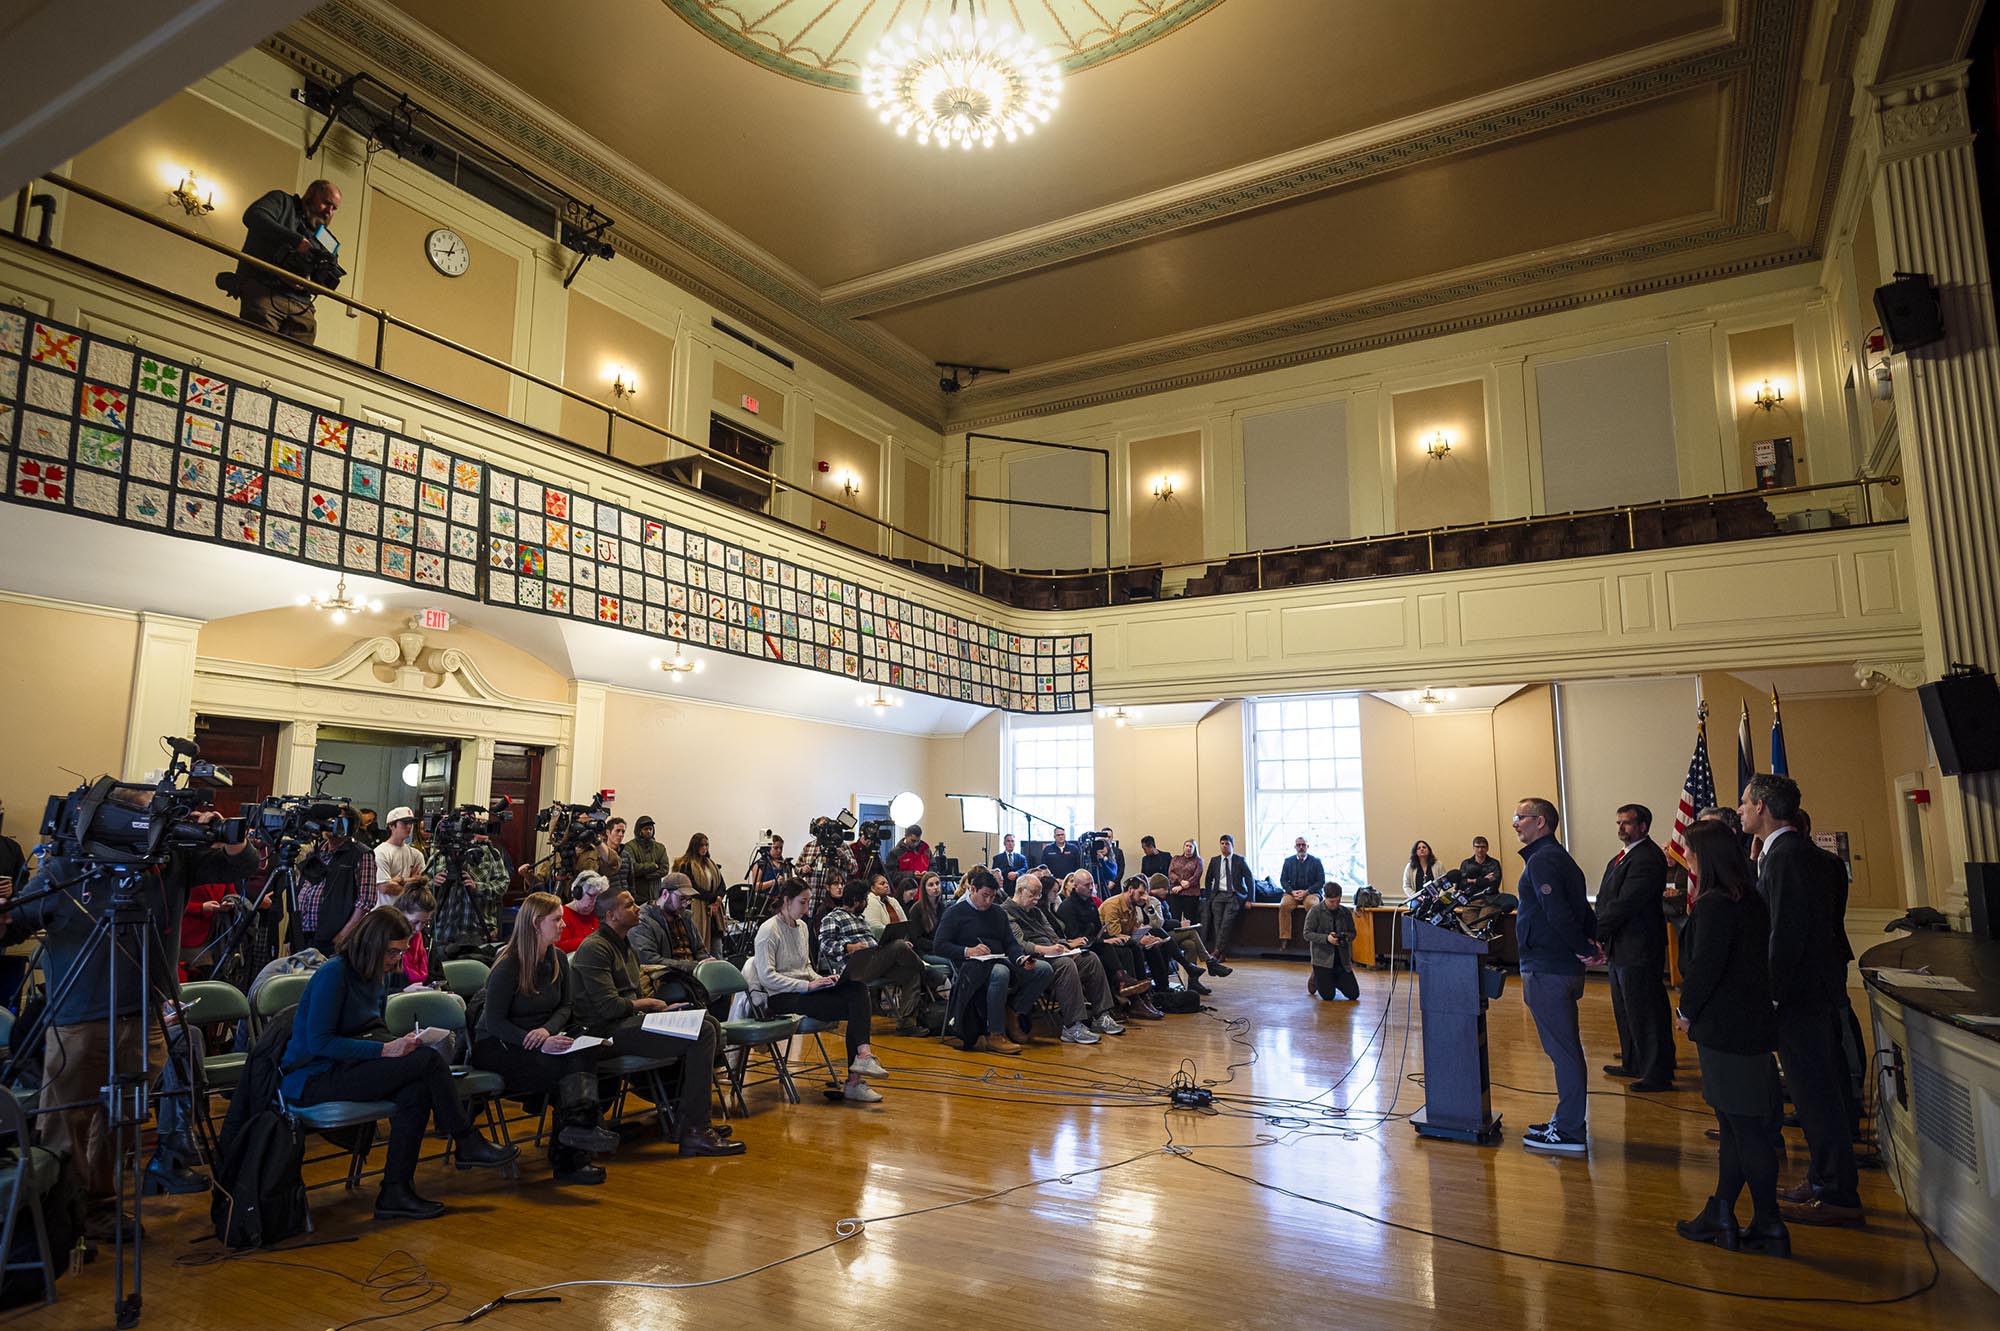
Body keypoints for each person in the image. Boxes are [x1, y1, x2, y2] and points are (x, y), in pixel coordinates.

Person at [2, 801, 255, 1233]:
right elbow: (14, 925)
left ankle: (102, 1207)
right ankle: (57, 1216)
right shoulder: (66, 869)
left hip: (147, 1015)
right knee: (67, 1121)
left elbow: (242, 864)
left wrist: (224, 833)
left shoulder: (170, 863)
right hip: (79, 1017)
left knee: (122, 1119)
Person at [282, 907, 517, 1219]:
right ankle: (465, 1139)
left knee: (417, 1091)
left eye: (402, 951)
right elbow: (320, 1043)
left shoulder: (373, 974)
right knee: (428, 1062)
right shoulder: (334, 974)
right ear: (372, 945)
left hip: (347, 1066)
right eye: (393, 951)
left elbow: (371, 1028)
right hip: (313, 1076)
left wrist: (398, 1041)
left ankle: (396, 1190)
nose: (397, 959)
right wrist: (384, 1051)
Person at [1740, 774, 1862, 1227]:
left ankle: (1836, 1195)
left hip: (1799, 998)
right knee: (1816, 1095)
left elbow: (1784, 935)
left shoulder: (1787, 857)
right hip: (1812, 992)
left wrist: (1769, 995)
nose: (1740, 811)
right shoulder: (1794, 855)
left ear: (1764, 809)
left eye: (1745, 803)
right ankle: (1823, 1179)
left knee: (1816, 1096)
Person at [1673, 820, 1790, 1257]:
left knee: (1747, 1130)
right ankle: (1721, 1210)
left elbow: (1705, 970)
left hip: (1726, 1029)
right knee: (1738, 1126)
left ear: (1706, 858)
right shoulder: (1748, 899)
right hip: (1749, 1026)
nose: (1685, 857)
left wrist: (1686, 1013)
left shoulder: (1716, 905)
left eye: (1689, 852)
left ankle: (1768, 1223)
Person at [571, 888, 744, 1153]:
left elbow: (631, 999)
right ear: (611, 915)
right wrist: (650, 1005)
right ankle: (696, 1129)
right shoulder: (595, 948)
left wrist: (661, 1012)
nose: (637, 908)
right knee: (702, 1032)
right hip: (603, 1033)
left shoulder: (624, 944)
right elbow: (607, 1008)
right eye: (629, 905)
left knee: (706, 1021)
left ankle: (686, 1120)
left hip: (627, 1022)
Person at [473, 893, 621, 1184]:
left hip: (538, 1036)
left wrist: (547, 1032)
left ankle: (578, 1135)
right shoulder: (508, 965)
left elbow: (565, 1007)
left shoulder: (556, 960)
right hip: (499, 1044)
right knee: (568, 1066)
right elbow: (494, 1022)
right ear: (536, 923)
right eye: (556, 919)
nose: (563, 924)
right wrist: (538, 1039)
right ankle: (575, 1148)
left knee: (587, 1049)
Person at [748, 880, 890, 1100]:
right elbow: (767, 977)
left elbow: (805, 967)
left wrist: (824, 979)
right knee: (856, 1005)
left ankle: (863, 1055)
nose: (806, 909)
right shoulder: (768, 930)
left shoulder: (802, 927)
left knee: (857, 988)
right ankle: (854, 1079)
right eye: (802, 903)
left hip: (805, 990)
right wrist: (807, 985)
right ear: (786, 901)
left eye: (808, 902)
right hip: (782, 997)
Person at [1512, 796, 1596, 1155]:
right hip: (1556, 965)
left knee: (1563, 1052)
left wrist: (1584, 947)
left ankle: (1570, 1130)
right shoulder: (1558, 858)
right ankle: (1567, 1119)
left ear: (1541, 823)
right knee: (1565, 1049)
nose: (1515, 823)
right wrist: (1591, 942)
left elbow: (1560, 913)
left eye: (1521, 817)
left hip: (1549, 968)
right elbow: (1582, 908)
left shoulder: (1544, 860)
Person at [1595, 803, 1675, 1091]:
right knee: (1626, 1009)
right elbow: (1607, 898)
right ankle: (1633, 1061)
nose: (1620, 828)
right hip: (1621, 946)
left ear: (1643, 826)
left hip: (1638, 946)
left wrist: (1594, 932)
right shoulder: (1623, 856)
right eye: (1618, 822)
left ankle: (1656, 1073)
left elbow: (1626, 904)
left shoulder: (1647, 858)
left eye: (1627, 823)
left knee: (1646, 1011)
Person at [934, 867, 1055, 1053]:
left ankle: (1014, 1011)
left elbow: (1010, 943)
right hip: (971, 966)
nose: (989, 901)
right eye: (985, 895)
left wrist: (1021, 958)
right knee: (1001, 972)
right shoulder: (955, 912)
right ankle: (995, 1034)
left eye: (992, 896)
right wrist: (968, 951)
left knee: (1043, 969)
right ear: (973, 889)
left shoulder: (997, 912)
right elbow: (940, 945)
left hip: (1000, 959)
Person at [1004, 873, 1121, 1042]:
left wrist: (1067, 946)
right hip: (1031, 958)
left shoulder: (1035, 911)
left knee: (1090, 958)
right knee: (1065, 965)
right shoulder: (1006, 911)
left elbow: (1052, 935)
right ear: (1020, 891)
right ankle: (1072, 1025)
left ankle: (1101, 1015)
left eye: (1039, 895)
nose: (1037, 899)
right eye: (1033, 895)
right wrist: (1048, 949)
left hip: (1052, 952)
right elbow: (1019, 943)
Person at [235, 178, 341, 344]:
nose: (329, 211)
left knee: (296, 362)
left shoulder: (326, 237)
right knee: (258, 351)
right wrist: (296, 241)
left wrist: (309, 282)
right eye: (326, 203)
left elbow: (331, 269)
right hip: (265, 291)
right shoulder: (282, 201)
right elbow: (253, 216)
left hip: (302, 307)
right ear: (311, 194)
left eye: (334, 208)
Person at [815, 884, 928, 1034]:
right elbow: (825, 945)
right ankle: (929, 973)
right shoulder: (832, 918)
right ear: (856, 901)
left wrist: (887, 945)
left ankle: (906, 1024)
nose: (867, 904)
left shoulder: (861, 918)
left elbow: (873, 942)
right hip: (857, 967)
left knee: (911, 974)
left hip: (875, 961)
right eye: (865, 900)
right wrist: (849, 947)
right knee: (900, 946)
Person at [296, 807, 377, 955]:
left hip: (332, 939)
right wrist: (291, 935)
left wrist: (344, 935)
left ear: (350, 825)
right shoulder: (315, 851)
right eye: (328, 819)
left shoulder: (361, 854)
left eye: (335, 820)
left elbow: (366, 900)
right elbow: (301, 891)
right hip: (302, 936)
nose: (329, 823)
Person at [426, 825, 507, 958]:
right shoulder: (440, 854)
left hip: (477, 930)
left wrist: (478, 887)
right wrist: (432, 883)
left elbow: (503, 884)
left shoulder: (489, 854)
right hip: (442, 930)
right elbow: (421, 886)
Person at [1101, 876, 1180, 1005]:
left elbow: (1134, 929)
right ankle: (1139, 994)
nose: (1144, 897)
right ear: (1131, 889)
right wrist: (1138, 939)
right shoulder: (1113, 905)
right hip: (1109, 944)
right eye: (1141, 893)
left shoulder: (1132, 905)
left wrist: (1145, 937)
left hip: (1125, 941)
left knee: (1153, 946)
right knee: (1135, 947)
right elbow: (1114, 934)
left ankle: (1160, 989)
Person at [1143, 873, 1228, 986]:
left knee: (1190, 944)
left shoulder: (1161, 900)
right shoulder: (1151, 901)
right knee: (1191, 931)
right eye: (1165, 889)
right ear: (1157, 888)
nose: (1167, 892)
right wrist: (1180, 924)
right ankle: (1209, 962)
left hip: (1168, 932)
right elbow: (1160, 924)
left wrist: (1179, 924)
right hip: (1161, 934)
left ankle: (1194, 982)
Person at [628, 871, 710, 974]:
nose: (685, 904)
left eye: (689, 900)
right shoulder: (643, 920)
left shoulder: (686, 917)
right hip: (665, 980)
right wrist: (695, 966)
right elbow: (650, 961)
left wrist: (708, 964)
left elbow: (700, 950)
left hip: (693, 976)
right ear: (665, 894)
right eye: (682, 898)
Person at [1201, 833, 1252, 964]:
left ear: (1232, 846)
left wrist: (1249, 899)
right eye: (1222, 843)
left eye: (1227, 844)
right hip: (1219, 895)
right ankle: (1221, 954)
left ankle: (1216, 951)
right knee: (1217, 924)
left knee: (1226, 924)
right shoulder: (1215, 860)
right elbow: (1208, 879)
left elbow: (1249, 878)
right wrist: (1209, 896)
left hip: (1234, 895)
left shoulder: (1239, 860)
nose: (1224, 846)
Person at [671, 832, 728, 949]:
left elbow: (722, 885)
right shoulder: (686, 865)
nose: (704, 848)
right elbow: (693, 887)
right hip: (696, 909)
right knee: (700, 947)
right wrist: (713, 898)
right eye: (701, 845)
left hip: (714, 913)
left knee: (717, 949)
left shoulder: (711, 865)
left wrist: (717, 900)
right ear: (694, 846)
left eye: (706, 845)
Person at [1304, 883, 1360, 1000]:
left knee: (1353, 994)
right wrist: (1326, 938)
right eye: (1331, 902)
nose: (1335, 904)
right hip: (1322, 960)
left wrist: (1345, 937)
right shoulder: (1315, 911)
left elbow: (1353, 933)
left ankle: (1331, 979)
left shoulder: (1345, 912)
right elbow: (1307, 933)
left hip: (1341, 960)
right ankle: (1316, 975)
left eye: (1338, 901)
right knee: (1328, 996)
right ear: (1325, 897)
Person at [386, 885, 439, 991]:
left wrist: (437, 987)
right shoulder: (385, 943)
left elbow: (438, 976)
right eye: (414, 922)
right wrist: (403, 992)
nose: (419, 928)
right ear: (399, 914)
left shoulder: (427, 942)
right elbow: (372, 990)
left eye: (425, 923)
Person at [794, 833, 856, 922]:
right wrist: (802, 870)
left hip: (836, 902)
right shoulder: (809, 846)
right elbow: (797, 869)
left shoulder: (843, 846)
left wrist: (844, 857)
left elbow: (854, 869)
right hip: (813, 900)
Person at [1277, 836, 1326, 950]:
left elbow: (1321, 881)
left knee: (1312, 906)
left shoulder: (1316, 862)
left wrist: (1307, 892)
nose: (1301, 847)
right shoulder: (1288, 861)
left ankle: (1315, 938)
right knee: (1284, 905)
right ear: (1295, 847)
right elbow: (1283, 880)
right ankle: (1285, 939)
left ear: (1307, 847)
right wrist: (1291, 891)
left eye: (1303, 845)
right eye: (1298, 845)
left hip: (1311, 892)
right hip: (1292, 893)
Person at [371, 807, 426, 907]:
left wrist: (399, 881)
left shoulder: (416, 854)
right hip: (385, 914)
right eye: (405, 823)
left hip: (408, 914)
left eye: (411, 823)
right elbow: (385, 887)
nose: (409, 826)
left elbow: (422, 885)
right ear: (392, 826)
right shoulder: (381, 852)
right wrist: (411, 881)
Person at [557, 870, 609, 952]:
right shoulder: (562, 914)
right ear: (578, 893)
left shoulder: (598, 913)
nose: (595, 901)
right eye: (591, 896)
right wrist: (591, 942)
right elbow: (559, 947)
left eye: (598, 897)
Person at [1166, 838, 1204, 928]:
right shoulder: (1176, 858)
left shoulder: (1198, 861)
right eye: (1186, 846)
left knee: (1190, 919)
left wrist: (1181, 887)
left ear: (1194, 849)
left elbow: (1196, 876)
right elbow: (1170, 873)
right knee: (1175, 918)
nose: (1188, 848)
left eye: (1190, 846)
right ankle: (1176, 938)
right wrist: (1180, 881)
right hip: (1175, 893)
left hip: (1191, 894)